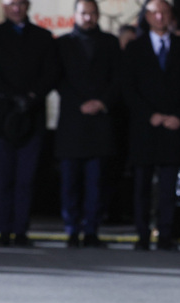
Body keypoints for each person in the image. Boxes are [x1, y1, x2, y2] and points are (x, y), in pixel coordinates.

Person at [0, 0, 58, 246]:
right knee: (3, 179)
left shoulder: (43, 37)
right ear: (4, 7)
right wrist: (11, 97)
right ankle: (4, 231)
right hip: (2, 119)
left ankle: (21, 230)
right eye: (11, 4)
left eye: (20, 4)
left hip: (31, 120)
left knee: (26, 179)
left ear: (27, 6)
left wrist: (31, 97)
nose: (16, 8)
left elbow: (51, 74)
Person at [122, 0, 180, 251]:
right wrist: (149, 115)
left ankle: (165, 235)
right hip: (144, 128)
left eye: (164, 12)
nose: (159, 16)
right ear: (146, 16)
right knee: (141, 185)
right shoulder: (134, 48)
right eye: (154, 12)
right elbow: (128, 88)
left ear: (170, 16)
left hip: (174, 127)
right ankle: (142, 235)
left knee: (168, 186)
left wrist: (179, 116)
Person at [55, 0, 120, 248]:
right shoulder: (62, 44)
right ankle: (72, 230)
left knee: (96, 183)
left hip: (101, 124)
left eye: (93, 14)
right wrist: (79, 103)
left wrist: (101, 102)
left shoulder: (110, 43)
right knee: (70, 183)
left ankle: (91, 230)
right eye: (84, 13)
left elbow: (119, 78)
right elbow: (58, 79)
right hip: (72, 122)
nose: (88, 18)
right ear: (75, 15)